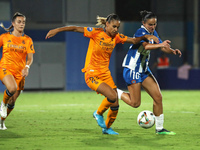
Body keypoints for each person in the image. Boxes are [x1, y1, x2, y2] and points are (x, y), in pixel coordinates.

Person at [46, 13, 159, 135]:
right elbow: (74, 28)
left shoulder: (116, 37)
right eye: (114, 27)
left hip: (105, 74)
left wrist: (145, 36)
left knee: (115, 104)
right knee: (112, 96)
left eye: (117, 27)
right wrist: (57, 30)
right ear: (107, 24)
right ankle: (98, 113)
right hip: (92, 74)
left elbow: (133, 40)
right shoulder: (96, 32)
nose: (115, 30)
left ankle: (106, 128)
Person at [117, 10, 182, 135]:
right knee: (135, 103)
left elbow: (163, 46)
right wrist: (161, 45)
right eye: (150, 24)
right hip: (133, 69)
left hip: (143, 70)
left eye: (154, 24)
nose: (152, 27)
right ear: (143, 23)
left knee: (158, 97)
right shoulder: (140, 32)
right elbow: (146, 46)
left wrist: (172, 51)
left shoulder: (154, 33)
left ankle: (159, 129)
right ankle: (116, 91)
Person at [0, 12, 35, 130]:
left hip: (20, 73)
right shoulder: (4, 37)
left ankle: (1, 121)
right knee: (12, 88)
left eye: (23, 22)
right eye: (19, 22)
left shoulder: (28, 40)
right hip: (5, 68)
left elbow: (30, 59)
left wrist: (27, 67)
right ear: (13, 23)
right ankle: (3, 104)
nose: (22, 24)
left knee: (13, 101)